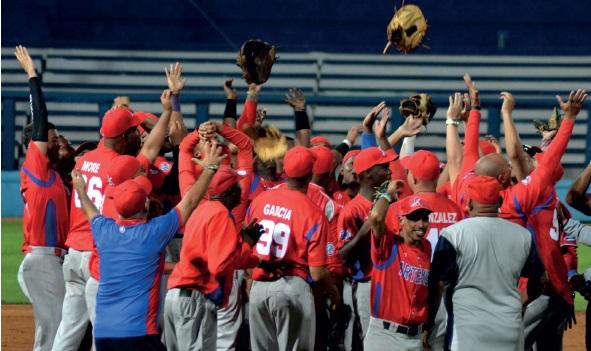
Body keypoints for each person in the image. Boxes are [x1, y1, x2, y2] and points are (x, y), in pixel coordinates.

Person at [72, 140, 224, 351]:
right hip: (138, 333)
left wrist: (80, 188)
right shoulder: (154, 232)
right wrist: (210, 168)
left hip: (103, 332)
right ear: (145, 204)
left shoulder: (103, 230)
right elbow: (190, 201)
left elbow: (90, 210)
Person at [54, 90, 173, 351]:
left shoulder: (84, 160)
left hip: (73, 254)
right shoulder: (121, 166)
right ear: (121, 137)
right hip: (99, 256)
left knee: (68, 331)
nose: (136, 136)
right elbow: (152, 147)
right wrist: (166, 112)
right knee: (105, 333)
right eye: (131, 132)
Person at [425, 175, 547, 351]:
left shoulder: (453, 234)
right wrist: (519, 302)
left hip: (466, 333)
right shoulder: (522, 235)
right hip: (508, 330)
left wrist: (429, 324)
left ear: (470, 202)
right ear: (499, 201)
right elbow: (542, 279)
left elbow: (438, 284)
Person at [246, 146, 340, 351]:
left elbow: (246, 244)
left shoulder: (260, 200)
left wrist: (249, 279)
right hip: (291, 287)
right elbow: (317, 273)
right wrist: (333, 292)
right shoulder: (313, 212)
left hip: (259, 286)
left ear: (285, 171)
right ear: (309, 175)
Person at [163, 165, 262, 351]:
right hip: (193, 300)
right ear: (229, 191)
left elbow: (216, 254)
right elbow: (219, 265)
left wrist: (246, 248)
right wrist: (247, 247)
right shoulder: (221, 214)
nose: (241, 191)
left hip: (177, 296)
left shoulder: (202, 209)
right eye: (237, 186)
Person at [15, 44, 70, 351]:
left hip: (54, 259)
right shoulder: (35, 164)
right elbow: (40, 118)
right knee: (52, 330)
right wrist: (32, 76)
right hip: (42, 259)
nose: (54, 139)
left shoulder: (53, 175)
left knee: (63, 325)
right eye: (50, 136)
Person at [337, 146, 396, 346]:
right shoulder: (351, 210)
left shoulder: (390, 203)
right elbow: (342, 256)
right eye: (383, 166)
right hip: (366, 284)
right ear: (368, 173)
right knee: (368, 341)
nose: (389, 170)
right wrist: (366, 229)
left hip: (391, 283)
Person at [366, 190, 433, 351]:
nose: (421, 224)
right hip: (385, 336)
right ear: (401, 220)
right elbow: (376, 217)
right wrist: (388, 194)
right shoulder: (388, 244)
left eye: (425, 218)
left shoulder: (427, 247)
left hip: (415, 337)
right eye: (414, 218)